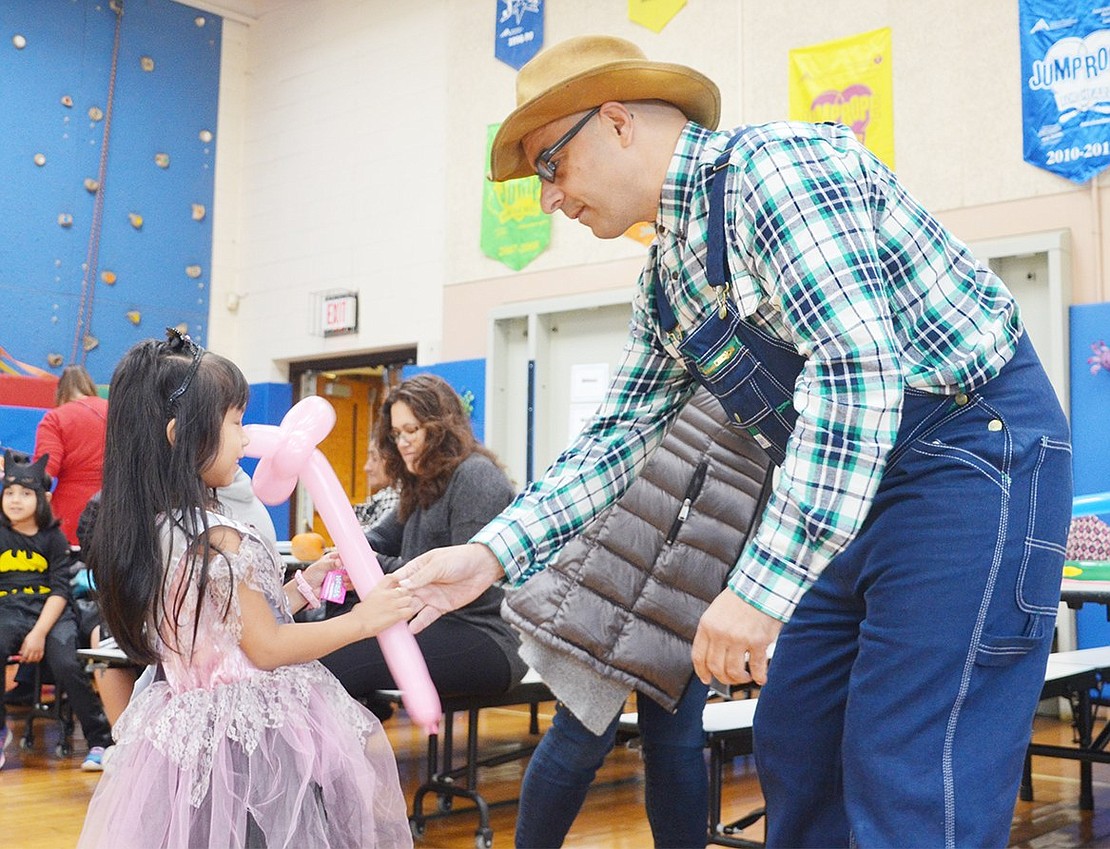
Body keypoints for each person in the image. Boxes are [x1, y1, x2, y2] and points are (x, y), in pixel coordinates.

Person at [395, 35, 1074, 849]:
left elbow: (857, 374)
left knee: (912, 764)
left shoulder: (776, 172)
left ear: (616, 122)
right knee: (799, 735)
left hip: (969, 453)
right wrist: (492, 553)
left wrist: (757, 589)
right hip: (853, 488)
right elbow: (620, 434)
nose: (549, 200)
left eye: (550, 165)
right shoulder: (668, 274)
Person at [77, 329, 414, 848]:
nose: (246, 437)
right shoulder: (216, 534)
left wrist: (304, 585)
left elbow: (221, 627)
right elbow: (267, 646)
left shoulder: (158, 527)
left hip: (189, 731)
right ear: (178, 435)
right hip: (249, 740)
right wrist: (365, 620)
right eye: (234, 423)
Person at [505, 387, 771, 848]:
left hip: (698, 584)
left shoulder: (795, 384)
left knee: (673, 746)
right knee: (583, 734)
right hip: (619, 571)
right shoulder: (703, 358)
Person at [321, 374, 526, 706]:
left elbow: (472, 592)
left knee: (343, 654)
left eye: (412, 430)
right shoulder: (423, 484)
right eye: (397, 434)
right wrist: (349, 552)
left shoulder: (476, 477)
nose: (402, 442)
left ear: (441, 427)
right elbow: (378, 538)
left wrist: (365, 561)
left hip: (485, 636)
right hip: (434, 620)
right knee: (334, 641)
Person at [0, 450, 113, 771]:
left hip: (51, 612)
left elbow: (61, 591)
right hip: (8, 608)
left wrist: (38, 633)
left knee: (66, 663)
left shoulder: (53, 539)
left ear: (44, 497)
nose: (16, 500)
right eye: (9, 493)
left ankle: (100, 740)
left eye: (25, 493)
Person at [34, 365, 108, 547]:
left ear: (60, 391)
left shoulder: (55, 418)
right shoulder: (115, 412)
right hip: (116, 508)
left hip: (69, 515)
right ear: (90, 386)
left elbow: (45, 470)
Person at [354, 436, 400, 535]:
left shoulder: (395, 498)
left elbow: (374, 538)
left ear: (394, 461)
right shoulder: (381, 499)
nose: (366, 467)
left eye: (374, 459)